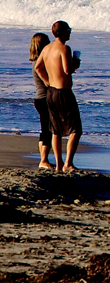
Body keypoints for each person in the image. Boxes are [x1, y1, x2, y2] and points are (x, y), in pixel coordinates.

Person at [33, 21, 82, 172]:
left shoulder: (47, 48)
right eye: (69, 30)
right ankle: (68, 163)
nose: (70, 32)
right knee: (76, 129)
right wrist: (75, 63)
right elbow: (67, 70)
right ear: (63, 32)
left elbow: (38, 67)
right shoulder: (64, 48)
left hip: (51, 92)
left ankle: (59, 164)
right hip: (64, 92)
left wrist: (47, 82)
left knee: (56, 130)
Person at [29, 33, 54, 170]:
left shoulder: (37, 61)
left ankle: (44, 159)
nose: (49, 44)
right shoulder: (41, 62)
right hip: (44, 98)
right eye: (46, 42)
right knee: (47, 129)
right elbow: (49, 80)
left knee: (45, 128)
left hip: (40, 98)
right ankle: (43, 160)